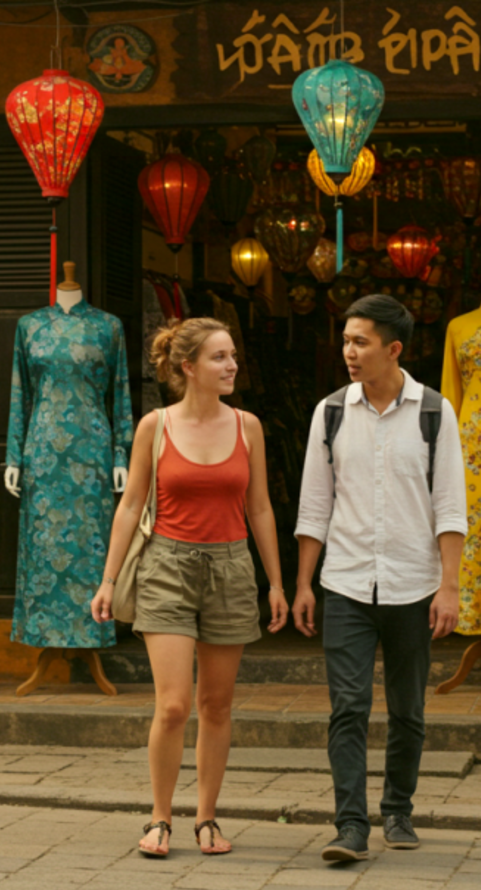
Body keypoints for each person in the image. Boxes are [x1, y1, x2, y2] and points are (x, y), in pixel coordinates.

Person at [91, 316, 288, 859]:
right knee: (175, 705)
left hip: (231, 569)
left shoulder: (248, 426)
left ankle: (206, 817)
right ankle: (160, 817)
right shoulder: (154, 426)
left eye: (233, 356)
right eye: (220, 357)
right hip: (166, 568)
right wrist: (108, 580)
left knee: (216, 705)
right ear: (189, 367)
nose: (232, 366)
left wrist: (275, 582)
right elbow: (131, 504)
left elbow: (260, 508)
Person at [292, 294, 467, 861]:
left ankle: (398, 809)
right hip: (345, 582)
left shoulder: (434, 412)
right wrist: (304, 584)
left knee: (407, 709)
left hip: (414, 584)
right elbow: (314, 506)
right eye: (346, 340)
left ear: (393, 349)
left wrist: (449, 586)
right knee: (347, 707)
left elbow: (451, 507)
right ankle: (350, 825)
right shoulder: (331, 411)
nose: (348, 351)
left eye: (360, 342)